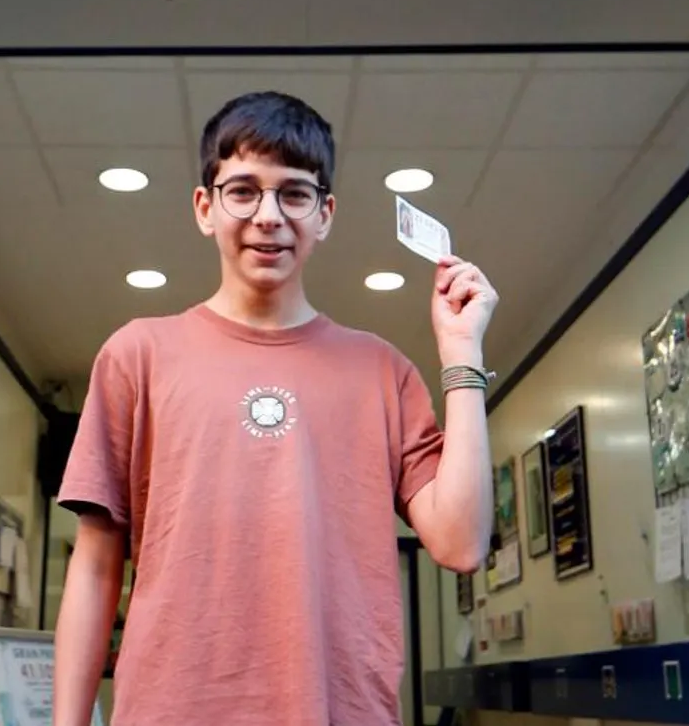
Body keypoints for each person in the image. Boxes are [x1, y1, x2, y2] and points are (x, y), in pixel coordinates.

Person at [51, 91, 497, 726]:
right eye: (243, 191)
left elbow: (460, 542)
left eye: (294, 193)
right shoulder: (136, 356)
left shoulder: (381, 371)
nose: (268, 215)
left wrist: (462, 355)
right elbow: (95, 565)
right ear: (205, 207)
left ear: (326, 214)